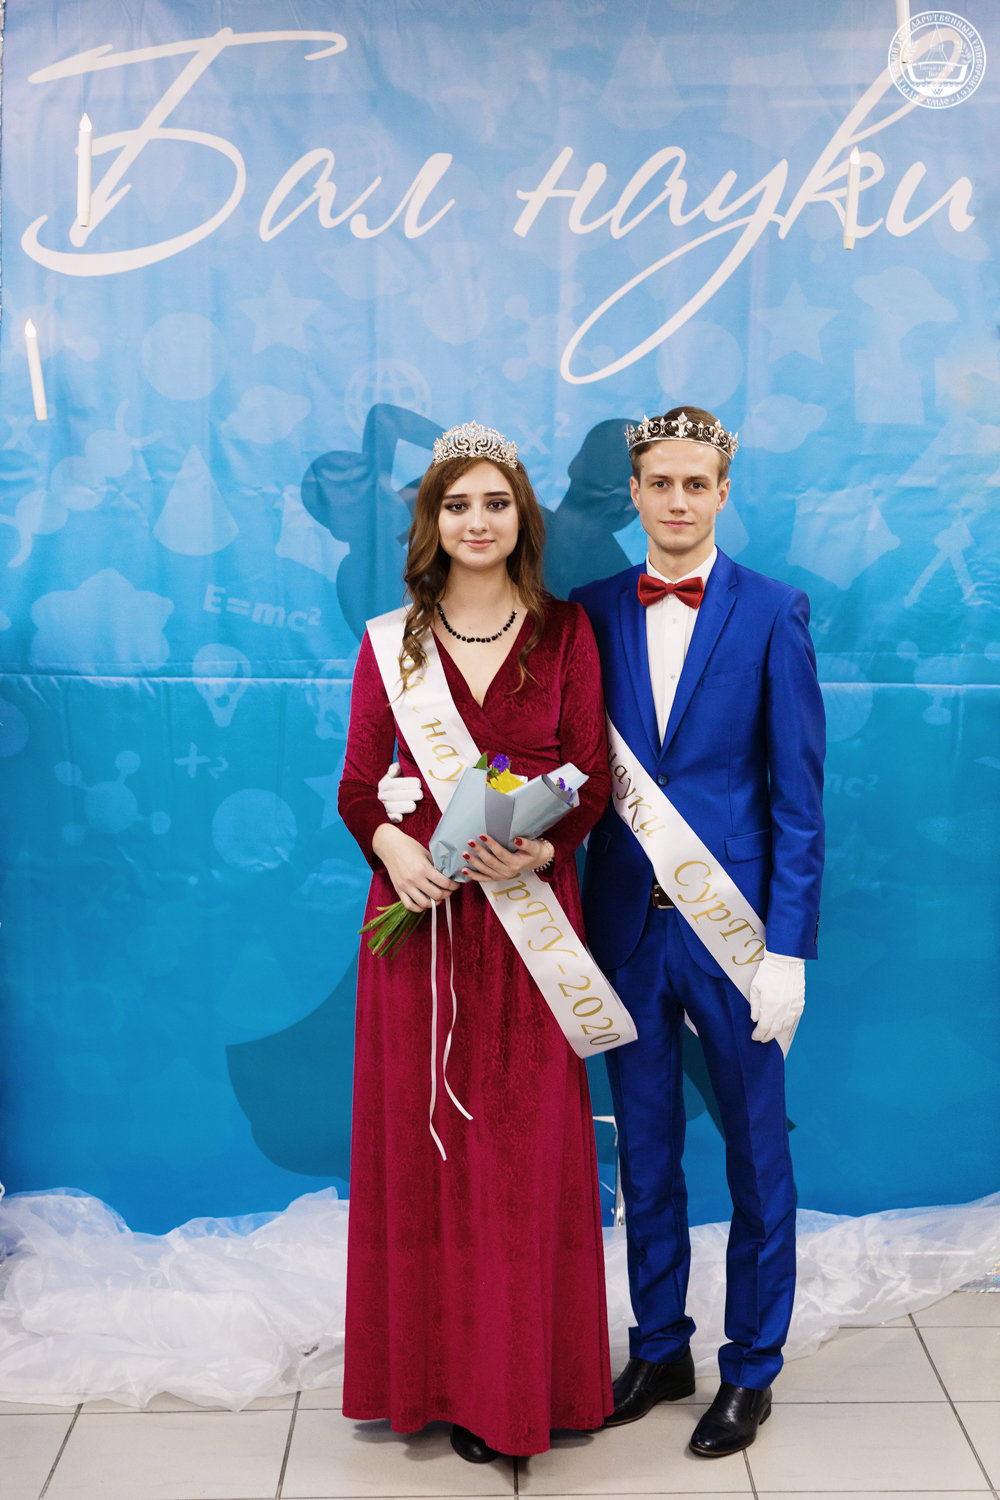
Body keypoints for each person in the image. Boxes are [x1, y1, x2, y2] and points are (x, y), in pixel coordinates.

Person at [338, 422, 614, 1462]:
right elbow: (357, 785)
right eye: (458, 504)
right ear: (432, 521)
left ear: (522, 517)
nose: (477, 520)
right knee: (427, 1152)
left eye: (495, 502)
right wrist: (391, 848)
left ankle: (522, 1383)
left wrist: (545, 852)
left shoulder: (566, 634)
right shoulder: (392, 643)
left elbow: (588, 775)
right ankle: (429, 1379)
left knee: (520, 1157)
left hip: (529, 927)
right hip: (422, 929)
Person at [569, 406, 826, 1457]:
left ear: (723, 491)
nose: (677, 500)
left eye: (695, 483)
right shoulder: (590, 610)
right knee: (646, 1155)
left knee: (757, 1161)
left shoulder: (772, 611)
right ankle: (660, 1345)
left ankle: (750, 1368)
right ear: (633, 492)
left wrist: (789, 950)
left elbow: (798, 798)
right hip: (626, 927)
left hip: (737, 936)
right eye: (659, 482)